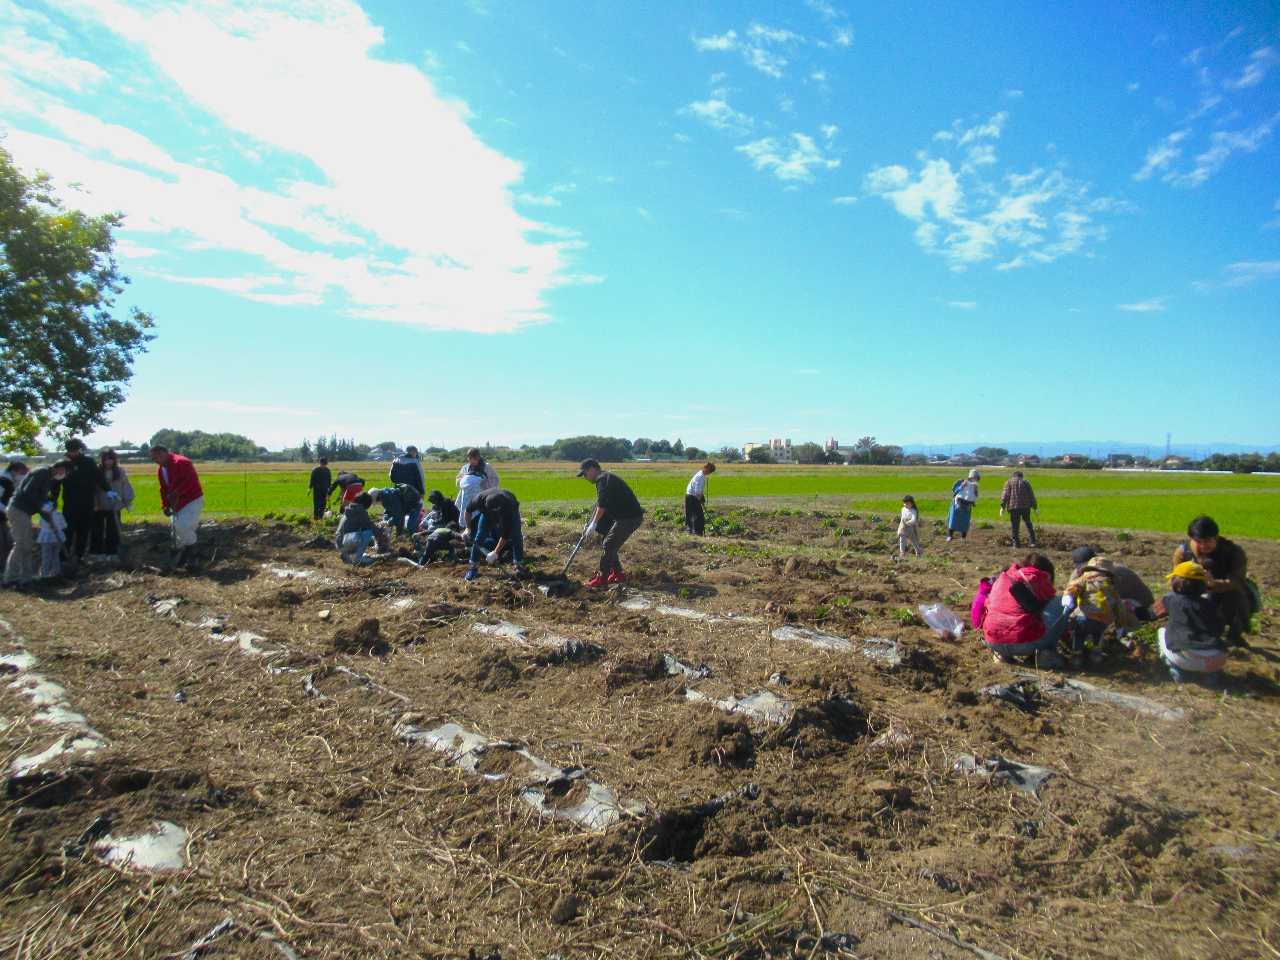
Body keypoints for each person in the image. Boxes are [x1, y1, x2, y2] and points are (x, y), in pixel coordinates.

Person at [1138, 561, 1227, 686]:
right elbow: (1221, 625)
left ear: (1177, 581)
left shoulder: (1171, 599)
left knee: (1162, 631)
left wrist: (1131, 609)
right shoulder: (1210, 604)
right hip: (1217, 657)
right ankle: (1209, 675)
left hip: (1186, 657)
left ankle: (1177, 670)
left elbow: (1149, 614)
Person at [974, 553, 1066, 668]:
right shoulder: (1038, 578)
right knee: (1060, 601)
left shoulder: (1003, 577)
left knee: (1007, 611)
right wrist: (1066, 635)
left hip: (993, 641)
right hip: (1023, 644)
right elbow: (1051, 611)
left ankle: (1002, 655)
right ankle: (1046, 654)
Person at [1173, 516, 1251, 646]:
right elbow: (1176, 581)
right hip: (1195, 595)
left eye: (1207, 540)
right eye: (1198, 541)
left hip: (1225, 595)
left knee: (1239, 598)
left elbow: (1239, 582)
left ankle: (1234, 635)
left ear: (1216, 537)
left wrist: (1213, 584)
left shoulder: (1234, 552)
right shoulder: (1183, 552)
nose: (1203, 545)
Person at [3, 459, 73, 587]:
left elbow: (38, 497)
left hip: (24, 511)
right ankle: (10, 579)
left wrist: (48, 517)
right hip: (18, 510)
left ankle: (27, 578)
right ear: (61, 469)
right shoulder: (43, 472)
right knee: (22, 545)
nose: (64, 476)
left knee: (27, 546)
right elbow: (29, 491)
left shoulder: (48, 477)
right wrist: (42, 504)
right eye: (66, 473)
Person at [1061, 556, 1139, 670]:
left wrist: (1067, 596)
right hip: (1103, 621)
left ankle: (1076, 660)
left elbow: (1073, 587)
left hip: (1083, 618)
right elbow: (1119, 608)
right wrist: (1120, 624)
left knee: (1079, 635)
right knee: (1098, 635)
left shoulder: (1084, 581)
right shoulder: (1111, 589)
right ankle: (1097, 658)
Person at [577, 458, 644, 589]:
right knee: (607, 541)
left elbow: (603, 503)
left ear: (592, 469)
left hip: (630, 517)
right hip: (624, 517)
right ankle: (618, 573)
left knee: (608, 544)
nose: (585, 478)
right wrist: (593, 523)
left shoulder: (603, 479)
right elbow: (603, 503)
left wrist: (594, 523)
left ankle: (602, 579)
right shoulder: (606, 478)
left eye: (585, 474)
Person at [149, 444, 204, 570]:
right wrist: (165, 505)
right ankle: (182, 556)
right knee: (175, 530)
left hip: (192, 500)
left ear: (162, 453)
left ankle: (192, 556)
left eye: (155, 458)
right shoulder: (161, 469)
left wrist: (177, 492)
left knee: (183, 527)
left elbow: (192, 480)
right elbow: (163, 488)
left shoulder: (182, 462)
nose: (154, 461)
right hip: (177, 502)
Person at [59, 438, 111, 566]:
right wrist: (53, 499)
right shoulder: (62, 463)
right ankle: (63, 558)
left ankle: (78, 556)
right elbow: (56, 482)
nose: (73, 452)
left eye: (75, 450)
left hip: (87, 499)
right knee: (67, 529)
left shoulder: (88, 461)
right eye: (71, 450)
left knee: (84, 529)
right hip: (70, 500)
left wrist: (108, 490)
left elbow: (98, 477)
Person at [462, 486, 525, 581]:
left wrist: (495, 553)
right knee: (480, 535)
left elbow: (506, 534)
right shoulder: (479, 500)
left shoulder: (508, 505)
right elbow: (467, 511)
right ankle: (474, 567)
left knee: (516, 534)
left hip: (510, 509)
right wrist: (468, 528)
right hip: (486, 514)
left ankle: (518, 565)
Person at [1070, 547, 1154, 606]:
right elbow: (1071, 593)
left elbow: (1107, 599)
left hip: (1140, 604)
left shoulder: (1115, 574)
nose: (1089, 572)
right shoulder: (1077, 574)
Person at [90, 448, 133, 559]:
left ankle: (112, 552)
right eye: (106, 459)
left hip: (114, 505)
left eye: (110, 459)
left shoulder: (120, 471)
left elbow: (125, 486)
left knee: (113, 529)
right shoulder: (97, 471)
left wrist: (128, 502)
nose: (108, 462)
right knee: (97, 529)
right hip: (99, 505)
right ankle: (98, 553)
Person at [0, 461, 30, 573]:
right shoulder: (3, 482)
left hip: (3, 519)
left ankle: (4, 570)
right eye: (21, 473)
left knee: (8, 544)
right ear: (13, 471)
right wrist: (7, 510)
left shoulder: (12, 482)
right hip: (2, 516)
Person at [333, 491, 376, 564]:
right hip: (347, 543)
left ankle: (345, 553)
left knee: (361, 532)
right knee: (369, 533)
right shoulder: (360, 511)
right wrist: (382, 530)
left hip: (339, 543)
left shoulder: (349, 510)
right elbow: (370, 526)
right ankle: (358, 559)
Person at [999, 471, 1038, 549]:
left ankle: (1016, 543)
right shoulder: (1025, 482)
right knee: (1028, 523)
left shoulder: (1008, 483)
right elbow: (1031, 495)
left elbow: (1005, 496)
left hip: (1013, 506)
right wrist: (1035, 508)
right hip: (1025, 506)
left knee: (1014, 526)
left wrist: (1003, 507)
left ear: (1013, 476)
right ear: (1021, 476)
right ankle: (1032, 541)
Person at [947, 469, 980, 541]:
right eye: (975, 478)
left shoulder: (975, 485)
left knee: (965, 521)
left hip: (967, 505)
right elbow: (954, 491)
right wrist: (961, 486)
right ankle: (950, 536)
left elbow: (975, 496)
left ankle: (963, 537)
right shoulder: (961, 481)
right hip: (958, 503)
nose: (976, 480)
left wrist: (975, 490)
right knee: (953, 519)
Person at [37, 502, 68, 579]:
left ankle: (45, 573)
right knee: (56, 556)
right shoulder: (59, 515)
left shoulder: (43, 516)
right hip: (57, 538)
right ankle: (56, 572)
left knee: (46, 556)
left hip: (46, 538)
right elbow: (65, 525)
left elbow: (40, 524)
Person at [685, 462, 715, 535]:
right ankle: (696, 532)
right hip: (692, 497)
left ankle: (693, 531)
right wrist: (700, 498)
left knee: (695, 515)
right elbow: (697, 491)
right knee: (697, 516)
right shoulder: (701, 476)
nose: (710, 473)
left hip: (692, 496)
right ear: (707, 470)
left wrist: (702, 496)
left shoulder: (702, 475)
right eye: (710, 471)